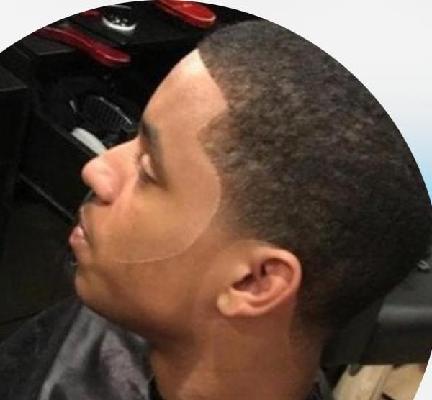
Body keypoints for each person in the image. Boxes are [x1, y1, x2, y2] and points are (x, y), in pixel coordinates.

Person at [2, 19, 432, 400]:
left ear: (253, 281)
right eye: (134, 138)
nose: (96, 170)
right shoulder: (118, 314)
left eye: (148, 170)